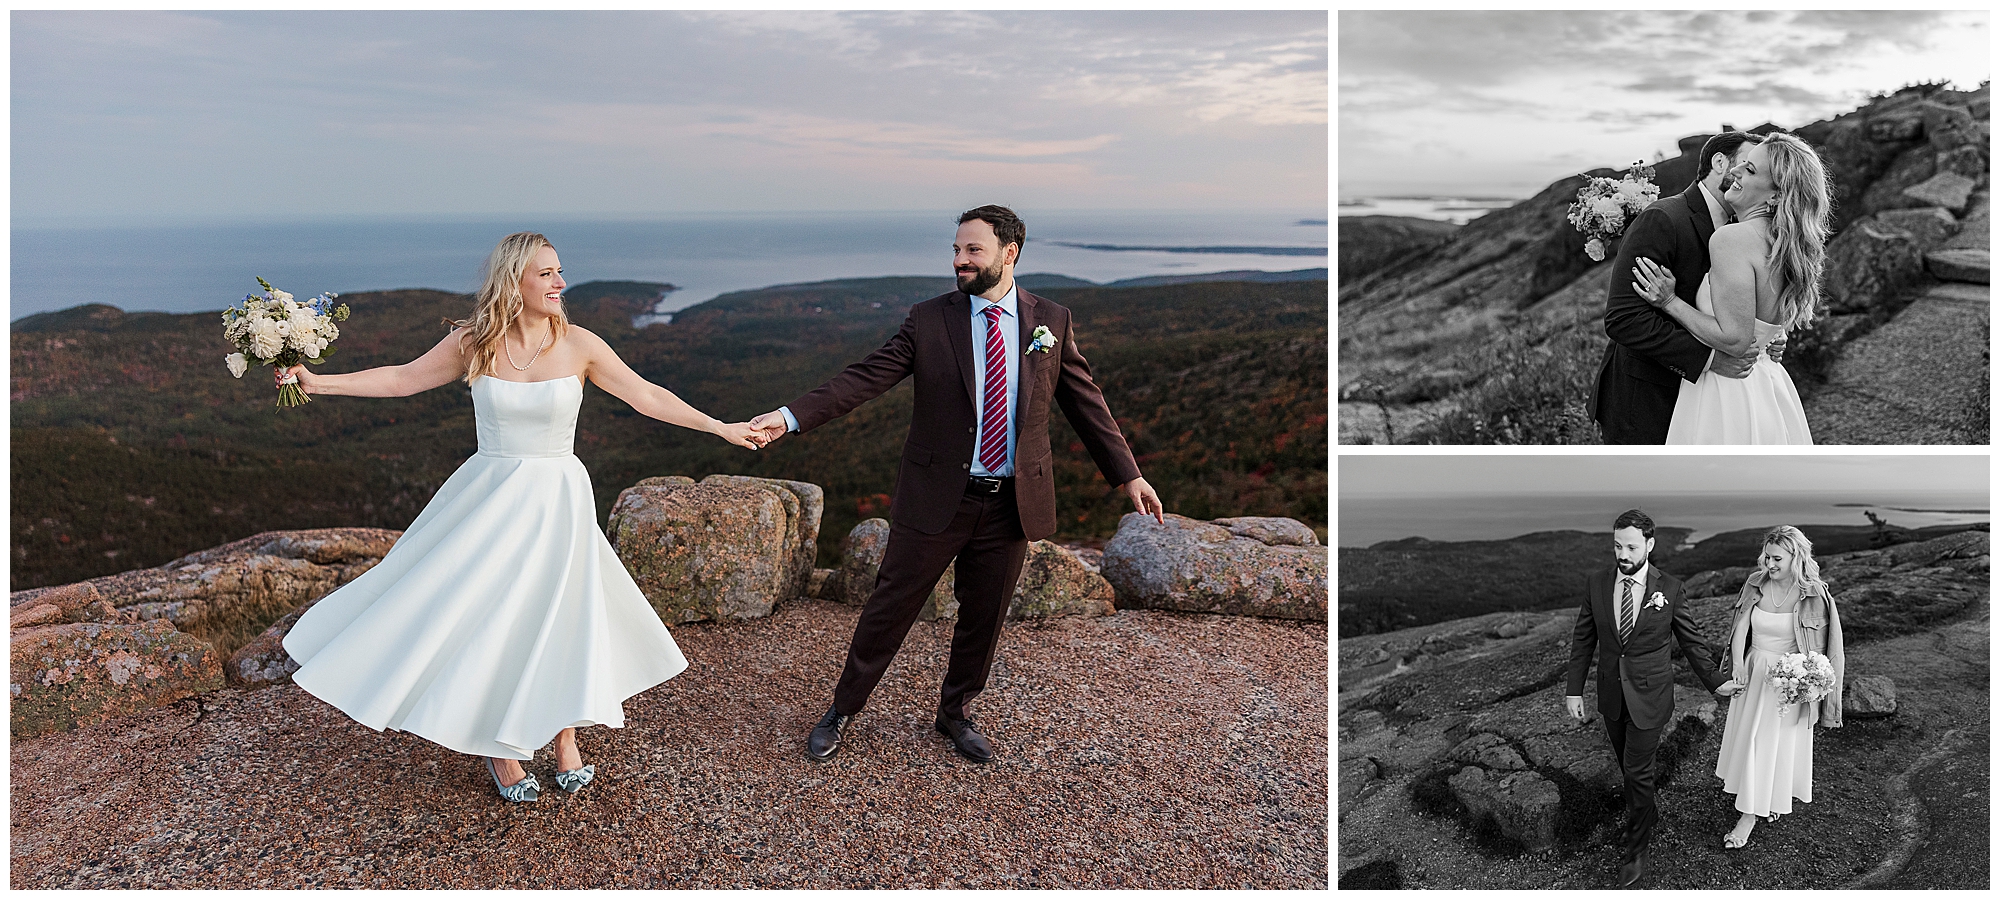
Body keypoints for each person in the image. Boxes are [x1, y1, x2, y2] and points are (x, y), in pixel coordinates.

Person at [278, 232, 766, 803]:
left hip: (558, 498)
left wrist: (720, 427)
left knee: (558, 614)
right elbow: (403, 378)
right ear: (515, 282)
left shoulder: (580, 344)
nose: (561, 283)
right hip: (489, 497)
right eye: (547, 274)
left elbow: (647, 396)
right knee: (493, 617)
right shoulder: (475, 341)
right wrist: (319, 382)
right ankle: (501, 745)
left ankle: (563, 737)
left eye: (560, 272)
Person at [749, 205, 1164, 764]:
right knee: (889, 608)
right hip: (937, 496)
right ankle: (842, 709)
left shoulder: (1051, 321)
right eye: (955, 250)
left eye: (973, 250)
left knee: (984, 616)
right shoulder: (929, 319)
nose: (959, 261)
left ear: (1008, 252)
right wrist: (788, 416)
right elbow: (865, 378)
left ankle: (955, 713)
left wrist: (1128, 474)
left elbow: (1085, 401)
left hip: (1010, 502)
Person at [1564, 509, 1736, 887]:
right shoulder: (1596, 583)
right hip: (1611, 694)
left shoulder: (1670, 588)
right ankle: (1647, 812)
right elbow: (1583, 640)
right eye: (1616, 545)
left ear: (1649, 545)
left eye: (1630, 546)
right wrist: (1574, 689)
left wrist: (1715, 681)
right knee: (1629, 770)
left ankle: (1637, 848)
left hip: (1651, 696)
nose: (1622, 554)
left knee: (1639, 773)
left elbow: (1691, 641)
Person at [1634, 132, 1831, 444]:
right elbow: (1763, 321)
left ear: (1777, 195)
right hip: (1770, 387)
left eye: (1750, 170)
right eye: (1743, 164)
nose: (1735, 171)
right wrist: (1773, 338)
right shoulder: (1785, 244)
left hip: (1727, 394)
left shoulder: (1733, 238)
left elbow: (1735, 340)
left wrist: (1670, 301)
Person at [1591, 131, 1774, 444]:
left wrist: (1768, 338)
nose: (1743, 173)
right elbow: (1623, 318)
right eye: (1745, 164)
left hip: (1709, 403)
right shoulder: (1663, 219)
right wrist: (1710, 359)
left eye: (1754, 170)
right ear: (1719, 162)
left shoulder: (1745, 228)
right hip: (1648, 400)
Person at [1712, 525, 1845, 848]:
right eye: (1766, 557)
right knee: (1754, 740)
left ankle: (1750, 815)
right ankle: (1759, 802)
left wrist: (1820, 694)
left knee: (1773, 743)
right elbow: (1741, 626)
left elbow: (1832, 650)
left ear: (1796, 557)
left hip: (1788, 683)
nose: (1769, 565)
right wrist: (1739, 665)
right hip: (1755, 672)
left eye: (1776, 559)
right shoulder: (1755, 583)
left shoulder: (1816, 594)